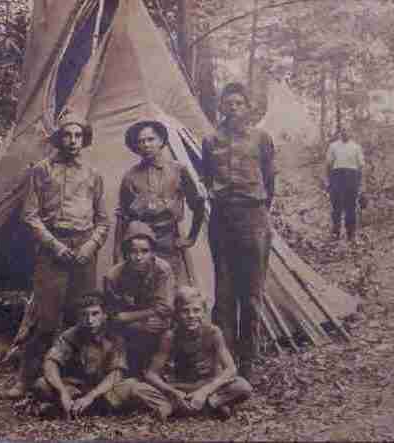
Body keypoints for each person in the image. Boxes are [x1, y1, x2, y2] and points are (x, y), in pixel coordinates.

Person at [6, 113, 110, 398]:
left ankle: (77, 377)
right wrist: (55, 246)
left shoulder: (93, 174)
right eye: (67, 135)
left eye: (78, 136)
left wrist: (90, 246)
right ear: (59, 138)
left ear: (84, 140)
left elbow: (103, 220)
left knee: (83, 316)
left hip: (84, 250)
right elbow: (30, 215)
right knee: (46, 318)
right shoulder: (41, 171)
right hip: (53, 248)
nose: (73, 141)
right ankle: (26, 379)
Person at [201, 82, 276, 378]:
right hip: (222, 218)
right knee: (224, 292)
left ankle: (249, 361)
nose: (233, 109)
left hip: (253, 217)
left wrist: (257, 210)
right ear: (221, 107)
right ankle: (225, 359)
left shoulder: (261, 138)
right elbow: (207, 176)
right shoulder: (210, 140)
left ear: (247, 107)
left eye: (239, 104)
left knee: (252, 293)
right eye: (228, 104)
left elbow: (270, 182)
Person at [34, 291, 173, 420]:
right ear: (78, 316)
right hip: (76, 388)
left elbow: (116, 373)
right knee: (41, 384)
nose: (89, 320)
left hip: (105, 389)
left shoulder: (114, 337)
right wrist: (62, 392)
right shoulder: (70, 335)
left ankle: (169, 406)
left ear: (104, 315)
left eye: (95, 314)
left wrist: (91, 396)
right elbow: (50, 363)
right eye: (84, 315)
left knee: (133, 386)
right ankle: (82, 408)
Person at [116, 120, 205, 285]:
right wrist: (119, 255)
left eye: (151, 139)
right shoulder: (130, 177)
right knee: (145, 293)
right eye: (141, 141)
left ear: (161, 141)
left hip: (170, 242)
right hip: (140, 247)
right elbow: (123, 218)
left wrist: (191, 237)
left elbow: (198, 203)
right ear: (136, 147)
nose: (146, 145)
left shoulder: (178, 170)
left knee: (174, 292)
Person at [143, 286, 252, 420]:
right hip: (180, 387)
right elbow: (151, 373)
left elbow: (231, 369)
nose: (191, 316)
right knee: (137, 388)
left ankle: (176, 408)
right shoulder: (170, 337)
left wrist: (204, 392)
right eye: (185, 311)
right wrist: (172, 392)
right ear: (176, 314)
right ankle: (210, 407)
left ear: (204, 312)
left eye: (196, 310)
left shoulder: (213, 332)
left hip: (207, 385)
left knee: (243, 387)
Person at [104, 221, 175, 378]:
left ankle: (158, 373)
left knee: (168, 332)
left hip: (154, 324)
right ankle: (119, 373)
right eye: (133, 252)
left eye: (145, 251)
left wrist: (130, 317)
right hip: (127, 329)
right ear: (125, 253)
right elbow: (113, 316)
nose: (138, 257)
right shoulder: (113, 276)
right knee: (115, 337)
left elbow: (166, 308)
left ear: (153, 253)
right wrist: (144, 318)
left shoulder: (162, 270)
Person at [324, 127, 365, 242]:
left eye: (348, 130)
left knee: (350, 207)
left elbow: (361, 166)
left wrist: (360, 184)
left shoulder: (356, 147)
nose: (345, 133)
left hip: (352, 178)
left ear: (351, 133)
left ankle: (350, 234)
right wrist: (328, 181)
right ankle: (335, 232)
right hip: (337, 177)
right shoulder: (333, 146)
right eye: (343, 131)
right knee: (336, 206)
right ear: (340, 133)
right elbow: (328, 165)